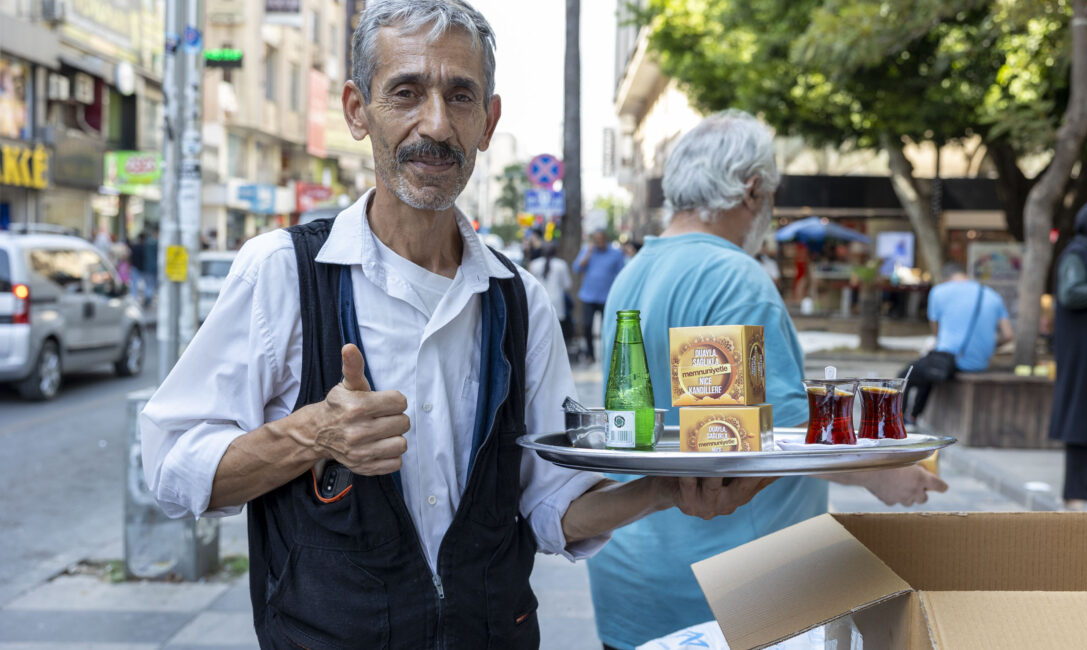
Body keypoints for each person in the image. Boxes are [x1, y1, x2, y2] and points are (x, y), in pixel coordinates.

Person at [140, 4, 770, 648]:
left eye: (460, 96)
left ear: (488, 121)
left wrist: (662, 490)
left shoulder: (518, 300)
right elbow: (169, 467)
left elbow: (551, 507)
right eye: (406, 92)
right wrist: (313, 434)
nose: (436, 125)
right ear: (358, 110)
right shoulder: (281, 273)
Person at [586, 111, 948, 650]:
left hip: (634, 577)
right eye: (772, 194)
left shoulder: (636, 270)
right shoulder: (734, 276)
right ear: (752, 190)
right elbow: (772, 440)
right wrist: (883, 473)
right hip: (730, 594)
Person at [901, 262, 1013, 422]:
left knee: (907, 375)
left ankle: (902, 419)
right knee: (929, 368)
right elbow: (1008, 335)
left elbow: (936, 332)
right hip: (980, 362)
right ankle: (913, 416)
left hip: (953, 361)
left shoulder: (939, 291)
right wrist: (986, 345)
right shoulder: (991, 295)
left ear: (945, 278)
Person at [1049, 198, 1087, 510]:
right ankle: (1075, 499)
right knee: (1082, 423)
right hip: (1085, 361)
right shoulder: (1079, 252)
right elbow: (1070, 292)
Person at [572, 229, 624, 362]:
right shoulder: (587, 251)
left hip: (607, 297)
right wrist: (588, 254)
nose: (598, 242)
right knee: (587, 325)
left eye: (601, 239)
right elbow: (577, 268)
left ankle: (608, 354)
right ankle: (590, 354)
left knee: (606, 327)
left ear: (605, 239)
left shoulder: (616, 254)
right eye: (596, 240)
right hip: (588, 296)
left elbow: (621, 274)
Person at [527, 242, 574, 342]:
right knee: (556, 332)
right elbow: (567, 285)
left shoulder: (534, 264)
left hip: (538, 301)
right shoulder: (561, 264)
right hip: (556, 302)